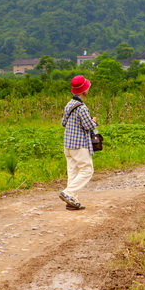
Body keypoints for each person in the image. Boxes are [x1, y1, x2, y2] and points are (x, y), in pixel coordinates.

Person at [59, 75, 98, 211]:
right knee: (87, 170)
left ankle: (72, 200)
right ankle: (68, 193)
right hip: (79, 144)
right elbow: (88, 126)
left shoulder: (68, 105)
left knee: (73, 172)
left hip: (68, 144)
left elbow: (63, 123)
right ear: (84, 91)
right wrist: (94, 120)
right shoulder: (81, 107)